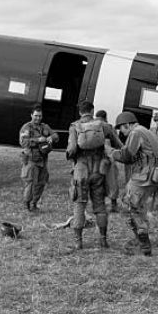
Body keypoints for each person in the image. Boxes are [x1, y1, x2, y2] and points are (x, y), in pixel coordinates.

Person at [66, 101, 122, 249]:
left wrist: (72, 157)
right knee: (100, 206)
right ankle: (103, 240)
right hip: (99, 170)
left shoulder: (74, 126)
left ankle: (78, 242)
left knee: (79, 204)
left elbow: (71, 149)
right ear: (92, 111)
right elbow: (118, 145)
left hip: (81, 170)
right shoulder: (103, 126)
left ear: (80, 112)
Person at [110, 111, 158, 256]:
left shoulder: (136, 132)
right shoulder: (146, 131)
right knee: (139, 205)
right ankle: (141, 236)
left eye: (122, 129)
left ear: (127, 125)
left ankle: (143, 241)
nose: (123, 133)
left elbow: (127, 156)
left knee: (129, 205)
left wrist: (112, 152)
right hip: (154, 175)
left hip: (144, 175)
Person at [19, 104, 59, 212]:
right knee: (31, 183)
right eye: (36, 115)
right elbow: (23, 142)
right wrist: (38, 140)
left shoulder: (45, 127)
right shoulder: (26, 127)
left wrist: (51, 137)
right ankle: (27, 205)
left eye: (40, 116)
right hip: (31, 159)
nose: (38, 118)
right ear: (31, 115)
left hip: (43, 160)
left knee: (41, 183)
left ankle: (34, 204)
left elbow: (56, 136)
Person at [95, 109, 124, 213]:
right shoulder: (108, 126)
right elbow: (117, 142)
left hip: (93, 157)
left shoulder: (90, 125)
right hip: (107, 156)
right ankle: (113, 204)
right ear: (105, 117)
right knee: (111, 180)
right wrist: (124, 150)